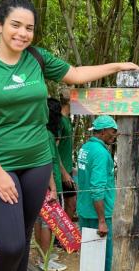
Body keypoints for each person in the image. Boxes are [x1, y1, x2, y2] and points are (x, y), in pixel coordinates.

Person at [0, 0, 139, 271]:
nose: (22, 33)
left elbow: (76, 74)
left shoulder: (36, 58)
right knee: (10, 244)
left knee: (25, 239)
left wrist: (117, 66)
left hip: (37, 163)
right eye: (15, 25)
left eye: (28, 28)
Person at [76, 115, 119, 271]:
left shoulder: (85, 148)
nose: (114, 135)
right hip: (97, 214)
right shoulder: (101, 153)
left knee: (89, 257)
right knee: (102, 259)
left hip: (84, 209)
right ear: (102, 131)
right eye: (112, 131)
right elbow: (97, 187)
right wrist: (102, 220)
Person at [33, 98, 66, 271]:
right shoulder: (48, 135)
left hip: (37, 184)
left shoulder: (37, 132)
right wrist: (53, 187)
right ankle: (45, 260)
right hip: (49, 185)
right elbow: (48, 163)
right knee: (49, 223)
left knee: (40, 220)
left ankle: (42, 256)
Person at [57, 91, 77, 221]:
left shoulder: (66, 119)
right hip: (61, 171)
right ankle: (62, 239)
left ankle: (62, 240)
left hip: (67, 168)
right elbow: (53, 148)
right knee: (68, 204)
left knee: (72, 203)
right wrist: (63, 172)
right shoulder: (59, 121)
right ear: (69, 101)